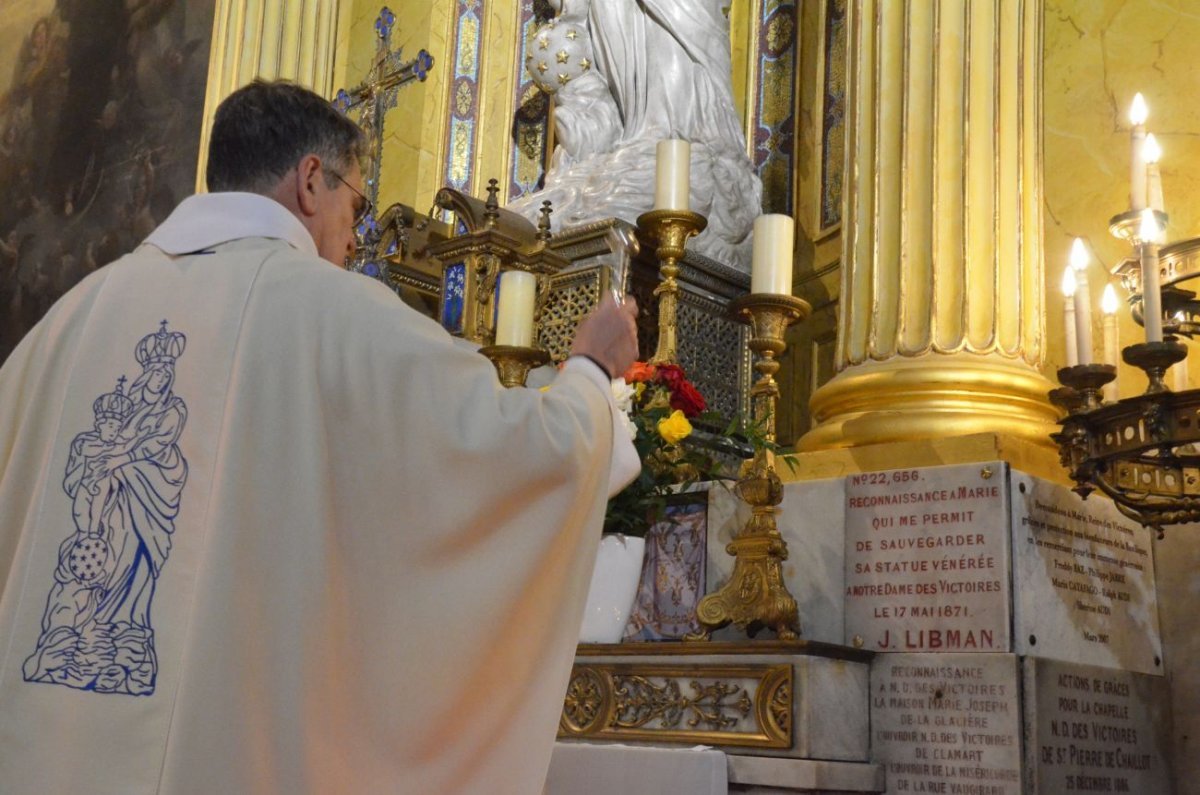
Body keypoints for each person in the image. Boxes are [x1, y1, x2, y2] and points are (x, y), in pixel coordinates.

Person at [0, 79, 640, 794]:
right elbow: (514, 453)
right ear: (311, 181)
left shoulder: (63, 326)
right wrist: (589, 372)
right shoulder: (338, 315)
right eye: (355, 206)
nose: (352, 236)